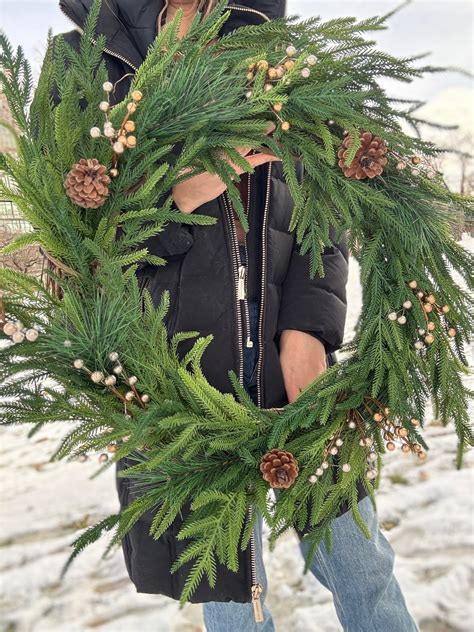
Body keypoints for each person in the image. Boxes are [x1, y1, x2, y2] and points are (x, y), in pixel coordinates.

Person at [56, 1, 418, 629]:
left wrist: (309, 327)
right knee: (232, 601)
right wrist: (176, 195)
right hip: (176, 384)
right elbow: (80, 243)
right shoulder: (82, 60)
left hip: (290, 364)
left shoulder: (273, 49)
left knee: (364, 568)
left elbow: (320, 204)